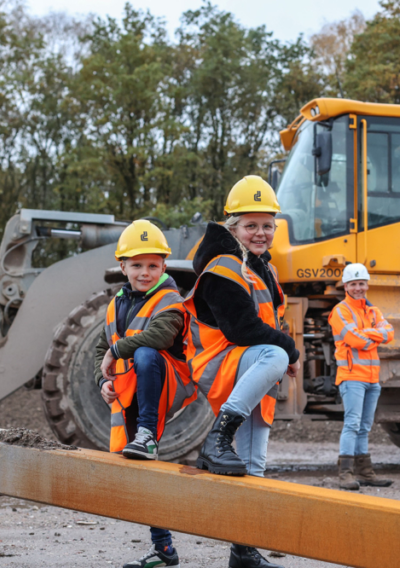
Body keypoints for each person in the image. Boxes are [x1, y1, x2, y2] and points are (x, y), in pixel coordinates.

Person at [183, 175, 300, 568]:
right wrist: (290, 351)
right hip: (224, 363)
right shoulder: (224, 266)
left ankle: (243, 551)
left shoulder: (260, 267)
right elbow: (242, 329)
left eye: (268, 225)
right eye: (251, 225)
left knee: (252, 469)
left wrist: (281, 350)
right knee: (277, 355)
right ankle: (218, 437)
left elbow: (267, 324)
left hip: (248, 369)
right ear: (232, 227)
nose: (261, 233)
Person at [94, 219, 196, 568]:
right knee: (143, 472)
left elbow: (160, 337)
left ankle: (148, 434)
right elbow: (99, 350)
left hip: (166, 383)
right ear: (122, 267)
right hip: (131, 394)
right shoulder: (115, 305)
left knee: (145, 351)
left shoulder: (171, 299)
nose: (145, 272)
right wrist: (102, 381)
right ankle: (163, 549)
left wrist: (116, 351)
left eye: (153, 265)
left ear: (164, 267)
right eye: (137, 265)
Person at [328, 263, 395, 490]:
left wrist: (366, 334)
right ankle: (345, 473)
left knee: (364, 426)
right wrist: (374, 336)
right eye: (353, 284)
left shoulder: (373, 311)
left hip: (372, 379)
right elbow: (356, 340)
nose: (358, 288)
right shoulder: (340, 311)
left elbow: (390, 333)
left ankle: (365, 472)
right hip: (352, 377)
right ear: (346, 286)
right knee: (352, 424)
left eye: (362, 283)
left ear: (367, 285)